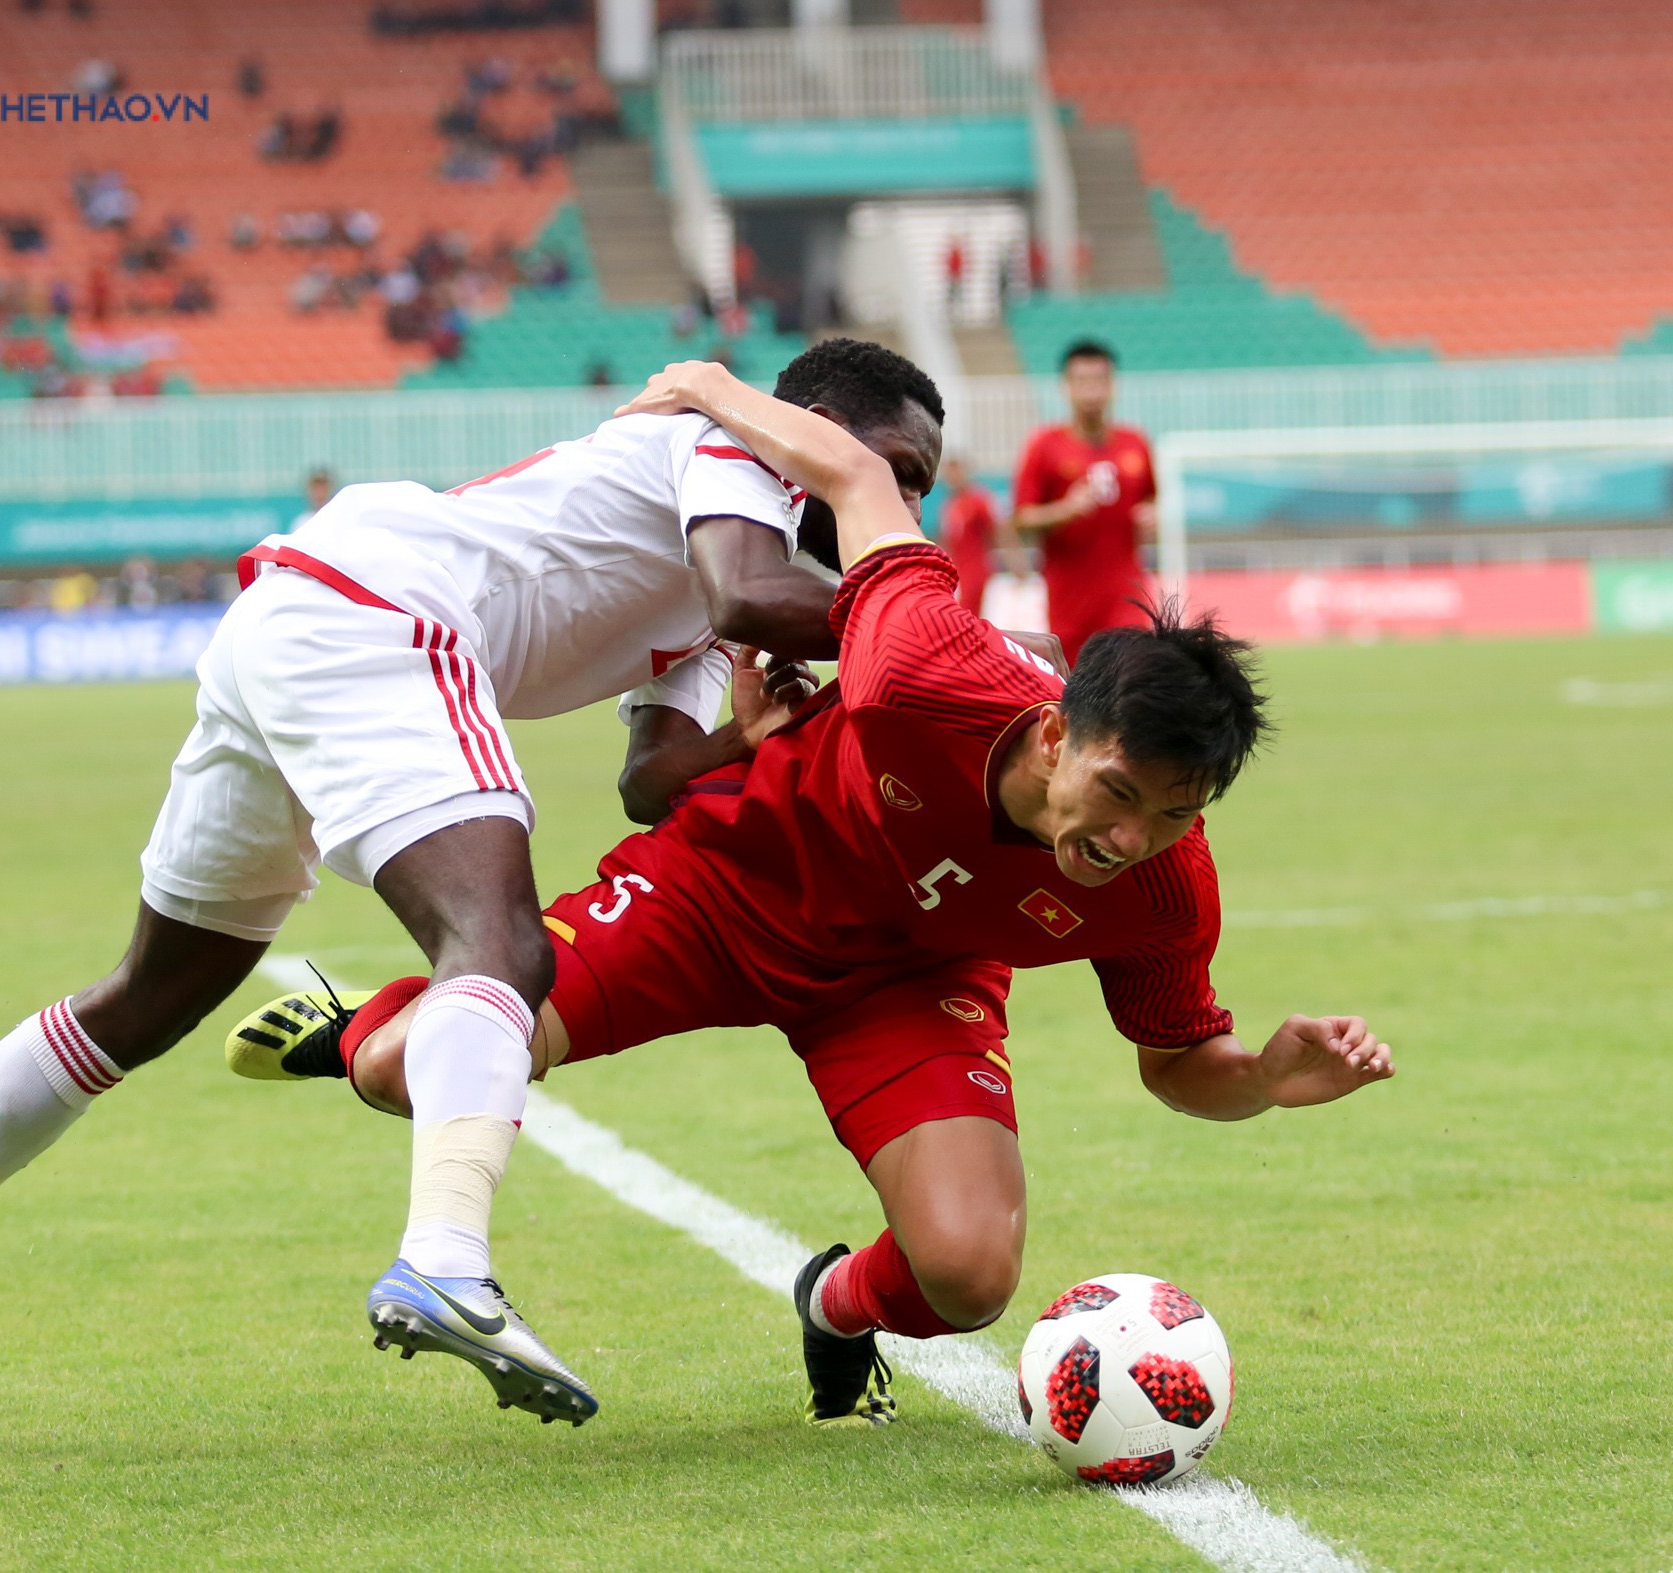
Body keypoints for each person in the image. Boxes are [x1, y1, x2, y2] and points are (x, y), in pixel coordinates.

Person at [0, 340, 947, 1435]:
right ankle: (444, 1260)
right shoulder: (735, 451)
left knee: (154, 993)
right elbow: (749, 592)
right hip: (382, 613)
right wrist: (944, 630)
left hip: (296, 617)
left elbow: (650, 779)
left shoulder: (727, 565)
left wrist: (751, 736)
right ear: (819, 435)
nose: (905, 510)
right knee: (498, 949)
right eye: (897, 474)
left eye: (921, 490)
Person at [233, 360, 1393, 1430]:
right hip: (724, 888)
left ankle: (831, 1305)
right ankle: (379, 1021)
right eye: (1118, 792)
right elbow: (846, 468)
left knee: (969, 1273)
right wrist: (702, 382)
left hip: (906, 981)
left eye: (1173, 816)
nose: (1130, 837)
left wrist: (1266, 1081)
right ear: (1052, 734)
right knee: (400, 1074)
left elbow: (1179, 1060)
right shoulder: (925, 662)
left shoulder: (1164, 888)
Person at [1011, 340, 1160, 664]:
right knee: (1077, 697)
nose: (1091, 391)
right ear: (1066, 387)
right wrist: (1065, 510)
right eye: (1082, 382)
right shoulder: (1044, 446)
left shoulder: (1135, 443)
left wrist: (1152, 517)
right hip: (1070, 604)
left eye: (1099, 381)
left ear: (1111, 385)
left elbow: (1152, 503)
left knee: (1130, 681)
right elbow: (1020, 520)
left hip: (1126, 596)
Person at [936, 456, 1028, 615]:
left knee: (967, 616)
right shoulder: (950, 504)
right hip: (957, 572)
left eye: (956, 471)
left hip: (975, 572)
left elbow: (1000, 531)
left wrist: (1015, 562)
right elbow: (948, 540)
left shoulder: (978, 499)